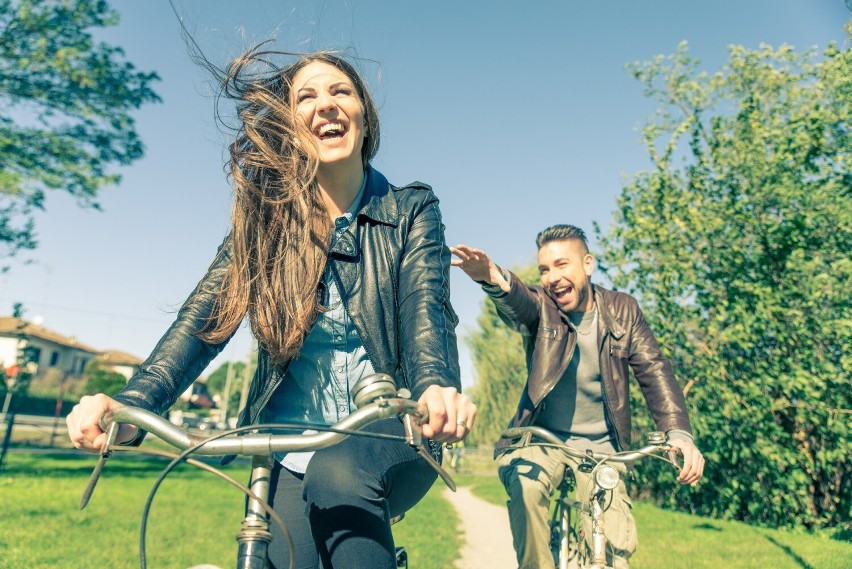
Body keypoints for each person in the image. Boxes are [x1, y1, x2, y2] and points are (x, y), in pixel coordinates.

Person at [66, 48, 476, 569]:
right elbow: (202, 321)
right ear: (289, 125)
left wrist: (434, 387)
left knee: (338, 474)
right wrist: (131, 406)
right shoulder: (265, 220)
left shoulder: (411, 209)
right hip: (286, 440)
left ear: (365, 116)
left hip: (392, 426)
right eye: (306, 97)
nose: (325, 105)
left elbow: (426, 308)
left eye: (340, 92)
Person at [451, 224, 704, 569]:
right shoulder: (544, 308)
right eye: (544, 269)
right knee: (526, 486)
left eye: (562, 265)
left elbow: (654, 370)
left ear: (587, 264)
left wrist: (679, 435)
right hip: (545, 440)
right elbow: (521, 302)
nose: (552, 277)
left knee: (614, 555)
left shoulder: (623, 310)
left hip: (604, 447)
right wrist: (494, 279)